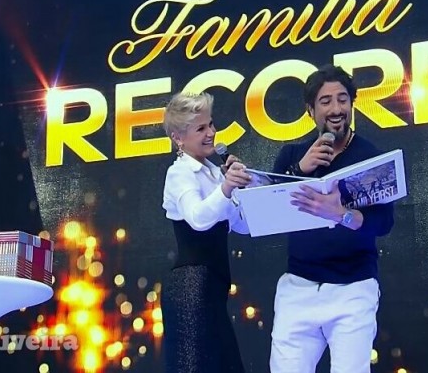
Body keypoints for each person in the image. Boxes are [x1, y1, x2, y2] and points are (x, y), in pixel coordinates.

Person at [269, 65, 395, 373]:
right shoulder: (292, 156)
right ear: (311, 110)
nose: (336, 109)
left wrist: (341, 215)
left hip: (353, 288)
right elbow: (270, 213)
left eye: (342, 99)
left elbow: (384, 223)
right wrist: (301, 169)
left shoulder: (371, 158)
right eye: (325, 101)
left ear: (352, 104)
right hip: (298, 288)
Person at [160, 91, 252, 373]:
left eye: (211, 124)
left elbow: (242, 225)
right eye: (201, 128)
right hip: (191, 288)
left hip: (212, 287)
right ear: (178, 138)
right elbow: (198, 219)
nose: (211, 132)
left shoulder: (214, 172)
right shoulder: (180, 173)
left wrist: (242, 189)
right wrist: (226, 188)